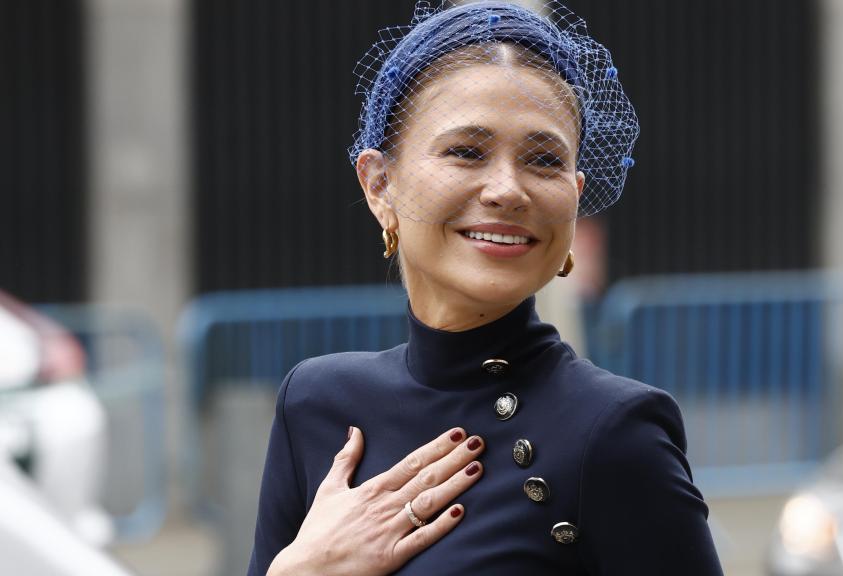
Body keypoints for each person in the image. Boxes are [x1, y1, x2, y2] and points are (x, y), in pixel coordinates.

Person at [248, 2, 724, 574]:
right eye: (466, 152)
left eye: (544, 162)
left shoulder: (612, 431)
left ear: (574, 196)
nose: (507, 190)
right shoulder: (315, 401)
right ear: (380, 186)